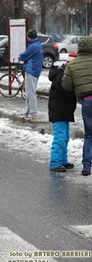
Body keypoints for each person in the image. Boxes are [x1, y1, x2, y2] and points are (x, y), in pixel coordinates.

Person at [62, 36, 92, 176]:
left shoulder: (73, 65)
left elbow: (66, 87)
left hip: (86, 102)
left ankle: (86, 167)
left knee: (89, 135)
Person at [48, 52, 77, 172]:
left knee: (65, 138)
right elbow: (67, 90)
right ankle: (55, 163)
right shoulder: (60, 76)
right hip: (58, 112)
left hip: (64, 112)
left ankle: (63, 160)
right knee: (59, 138)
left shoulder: (66, 74)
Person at [19, 29, 44, 121]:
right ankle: (28, 111)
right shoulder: (39, 45)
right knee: (29, 92)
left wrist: (20, 56)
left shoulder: (32, 46)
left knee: (30, 93)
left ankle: (33, 113)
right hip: (36, 70)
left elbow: (23, 56)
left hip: (31, 70)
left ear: (28, 37)